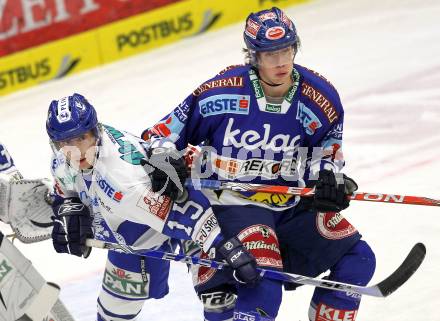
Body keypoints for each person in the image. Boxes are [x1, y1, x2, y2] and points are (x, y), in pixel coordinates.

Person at [142, 7, 376, 321]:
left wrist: (329, 177)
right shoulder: (220, 92)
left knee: (358, 259)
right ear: (253, 55)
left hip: (290, 204)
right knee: (261, 281)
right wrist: (161, 157)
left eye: (286, 50)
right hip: (231, 204)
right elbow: (159, 134)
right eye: (270, 54)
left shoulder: (321, 98)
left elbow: (328, 149)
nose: (281, 61)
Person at [45, 93, 260, 321]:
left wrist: (226, 245)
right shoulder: (61, 161)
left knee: (218, 297)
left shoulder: (124, 181)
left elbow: (184, 213)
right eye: (66, 142)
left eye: (81, 138)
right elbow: (65, 188)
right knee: (112, 314)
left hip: (185, 207)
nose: (75, 149)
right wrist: (66, 205)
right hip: (132, 231)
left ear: (95, 132)